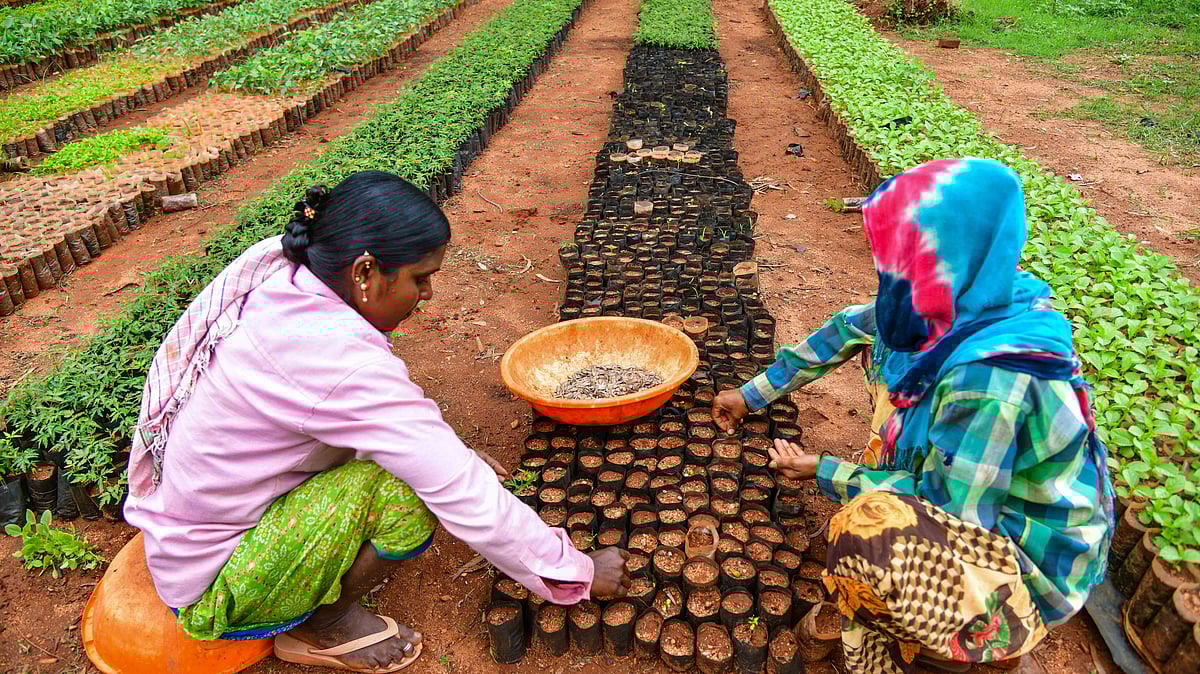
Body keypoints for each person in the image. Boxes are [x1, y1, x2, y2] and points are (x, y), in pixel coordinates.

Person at [123, 171, 631, 673]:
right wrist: (575, 571)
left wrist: (435, 451)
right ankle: (320, 625)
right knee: (407, 492)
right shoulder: (337, 360)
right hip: (215, 581)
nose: (428, 293)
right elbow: (462, 492)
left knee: (417, 464)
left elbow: (350, 416)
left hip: (197, 525)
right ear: (365, 273)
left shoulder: (288, 281)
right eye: (420, 277)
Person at [711, 159, 1115, 674]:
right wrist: (749, 396)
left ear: (948, 255)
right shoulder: (959, 299)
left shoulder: (990, 380)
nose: (890, 269)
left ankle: (965, 647)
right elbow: (835, 338)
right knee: (871, 503)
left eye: (906, 254)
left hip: (1030, 555)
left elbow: (951, 511)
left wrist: (824, 471)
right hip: (977, 495)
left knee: (866, 533)